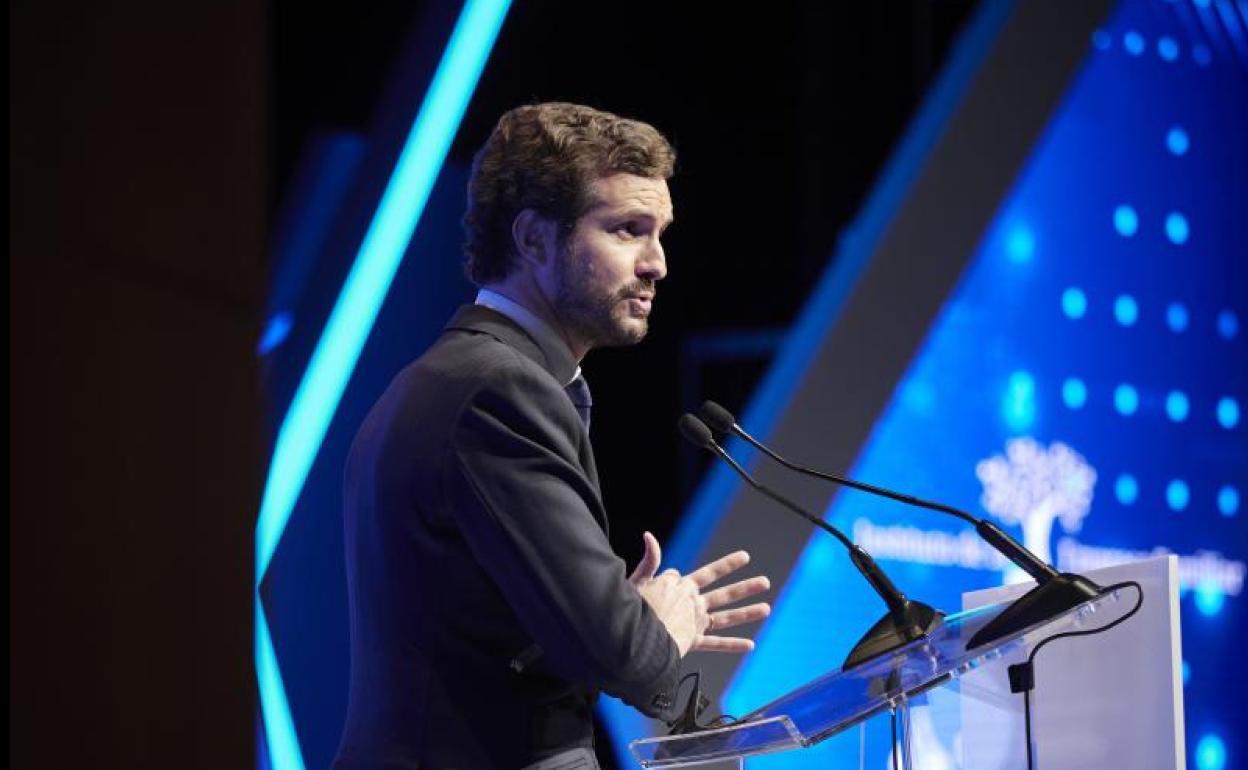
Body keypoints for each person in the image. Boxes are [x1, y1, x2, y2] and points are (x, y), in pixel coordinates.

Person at [332, 102, 770, 770]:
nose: (657, 264)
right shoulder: (499, 392)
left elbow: (499, 630)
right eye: (628, 230)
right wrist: (650, 628)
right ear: (534, 240)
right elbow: (624, 656)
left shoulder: (457, 379)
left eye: (660, 234)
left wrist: (614, 615)